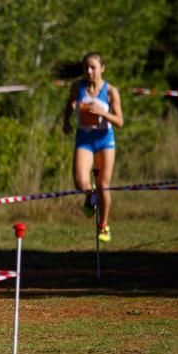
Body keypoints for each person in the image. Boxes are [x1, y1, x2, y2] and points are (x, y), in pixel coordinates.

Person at [62, 52, 124, 243]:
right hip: (85, 138)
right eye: (86, 68)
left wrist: (103, 114)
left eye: (93, 67)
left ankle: (103, 225)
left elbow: (120, 121)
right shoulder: (77, 87)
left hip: (105, 140)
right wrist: (67, 120)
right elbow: (70, 103)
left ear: (102, 68)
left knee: (104, 185)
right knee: (81, 180)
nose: (89, 71)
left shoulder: (111, 91)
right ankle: (90, 197)